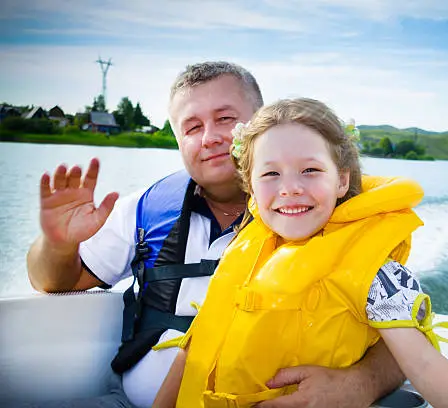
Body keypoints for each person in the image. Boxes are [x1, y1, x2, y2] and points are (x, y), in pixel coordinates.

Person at [26, 62, 407, 408]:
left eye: (225, 118)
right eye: (192, 127)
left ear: (261, 124)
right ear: (178, 139)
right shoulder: (145, 208)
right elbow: (54, 281)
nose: (209, 137)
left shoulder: (331, 215)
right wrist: (59, 243)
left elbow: (405, 333)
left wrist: (359, 385)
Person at [153, 98, 448, 408]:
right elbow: (197, 345)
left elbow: (424, 363)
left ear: (341, 180)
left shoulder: (376, 273)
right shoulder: (244, 249)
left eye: (310, 170)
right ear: (251, 186)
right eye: (271, 173)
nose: (290, 188)